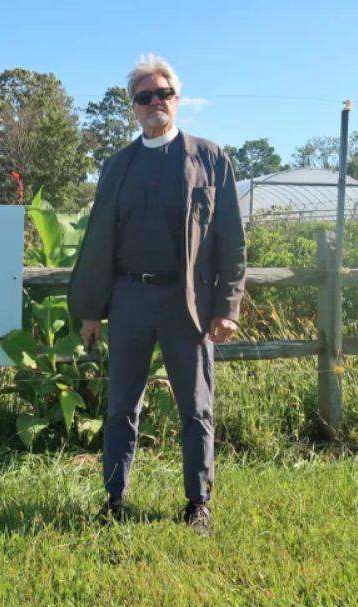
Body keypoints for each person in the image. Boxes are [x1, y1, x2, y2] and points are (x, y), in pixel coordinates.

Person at [67, 54, 246, 535]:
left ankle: (197, 502)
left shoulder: (209, 159)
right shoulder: (118, 166)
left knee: (196, 406)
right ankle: (114, 497)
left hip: (187, 304)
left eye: (162, 94)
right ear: (134, 108)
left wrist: (227, 307)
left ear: (177, 99)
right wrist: (91, 312)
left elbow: (231, 240)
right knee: (121, 405)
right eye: (143, 97)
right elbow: (99, 241)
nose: (154, 103)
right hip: (128, 299)